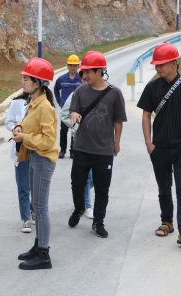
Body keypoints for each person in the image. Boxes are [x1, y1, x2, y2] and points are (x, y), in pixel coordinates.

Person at [137, 43, 181, 246]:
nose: (158, 68)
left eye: (162, 64)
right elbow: (146, 115)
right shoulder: (152, 88)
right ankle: (166, 222)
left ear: (174, 63)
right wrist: (149, 144)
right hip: (160, 148)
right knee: (164, 188)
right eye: (156, 65)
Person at [68, 51, 127, 238]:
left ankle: (98, 222)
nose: (84, 76)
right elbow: (73, 110)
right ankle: (79, 208)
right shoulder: (80, 91)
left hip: (103, 151)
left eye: (88, 72)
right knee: (77, 183)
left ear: (100, 71)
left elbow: (118, 121)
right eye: (83, 72)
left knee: (102, 189)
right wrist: (74, 114)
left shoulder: (115, 93)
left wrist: (117, 142)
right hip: (81, 148)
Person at [13, 58, 59, 270]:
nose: (23, 81)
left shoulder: (45, 107)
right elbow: (31, 125)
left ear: (38, 83)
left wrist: (24, 137)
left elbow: (48, 140)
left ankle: (44, 254)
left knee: (40, 207)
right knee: (36, 207)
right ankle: (38, 245)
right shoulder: (33, 103)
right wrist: (20, 127)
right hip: (33, 156)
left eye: (26, 78)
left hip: (42, 159)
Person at [60, 92, 94, 220]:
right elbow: (64, 114)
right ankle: (87, 205)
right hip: (82, 142)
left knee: (95, 178)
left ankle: (79, 193)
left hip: (102, 143)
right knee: (86, 177)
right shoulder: (77, 94)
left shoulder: (108, 92)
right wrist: (77, 127)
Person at [5, 92, 32, 233]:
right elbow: (8, 122)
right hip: (21, 150)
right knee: (23, 186)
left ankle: (33, 209)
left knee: (35, 186)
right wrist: (15, 128)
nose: (24, 83)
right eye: (24, 81)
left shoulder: (45, 104)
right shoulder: (17, 103)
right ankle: (26, 218)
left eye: (27, 81)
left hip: (38, 150)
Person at [54, 54, 82, 159]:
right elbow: (56, 89)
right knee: (63, 130)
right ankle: (62, 150)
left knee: (75, 130)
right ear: (67, 65)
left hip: (77, 110)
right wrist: (60, 102)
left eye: (75, 65)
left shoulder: (81, 79)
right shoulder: (61, 79)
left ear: (78, 66)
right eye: (70, 65)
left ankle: (73, 151)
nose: (72, 67)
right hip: (65, 110)